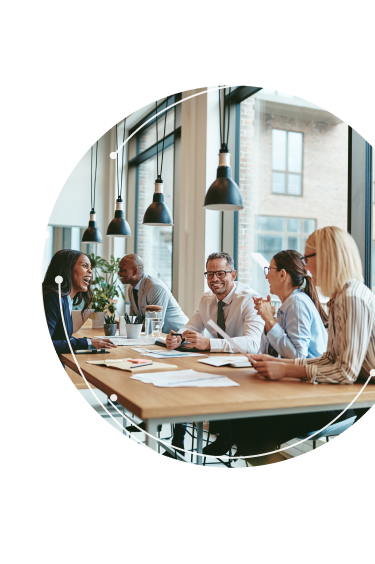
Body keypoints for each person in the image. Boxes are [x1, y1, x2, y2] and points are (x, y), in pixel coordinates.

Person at [234, 227, 375, 466]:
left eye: (308, 258)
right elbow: (329, 359)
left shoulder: (351, 298)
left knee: (255, 427)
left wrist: (287, 369)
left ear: (328, 256)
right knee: (249, 424)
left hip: (353, 401)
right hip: (343, 392)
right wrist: (280, 364)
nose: (306, 267)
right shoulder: (341, 297)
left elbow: (344, 372)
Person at [165, 251, 265, 455]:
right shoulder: (206, 299)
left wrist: (210, 344)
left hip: (247, 369)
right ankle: (178, 444)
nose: (214, 279)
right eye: (210, 274)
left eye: (220, 273)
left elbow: (253, 343)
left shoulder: (249, 299)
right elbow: (191, 327)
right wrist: (177, 337)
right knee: (183, 379)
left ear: (233, 274)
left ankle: (228, 436)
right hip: (219, 364)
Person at [255, 249, 328, 360]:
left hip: (311, 376)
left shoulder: (297, 303)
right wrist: (267, 321)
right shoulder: (291, 303)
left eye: (270, 269)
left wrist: (270, 320)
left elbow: (298, 358)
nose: (267, 276)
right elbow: (267, 353)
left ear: (282, 274)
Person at [43, 250, 117, 357]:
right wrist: (87, 343)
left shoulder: (65, 299)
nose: (90, 271)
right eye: (84, 266)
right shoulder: (53, 298)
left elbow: (59, 338)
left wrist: (89, 342)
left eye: (90, 267)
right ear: (67, 269)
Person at [118, 254, 189, 334]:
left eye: (122, 270)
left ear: (135, 271)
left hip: (180, 336)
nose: (118, 273)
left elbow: (154, 325)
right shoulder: (131, 289)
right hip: (161, 337)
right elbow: (133, 321)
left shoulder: (155, 287)